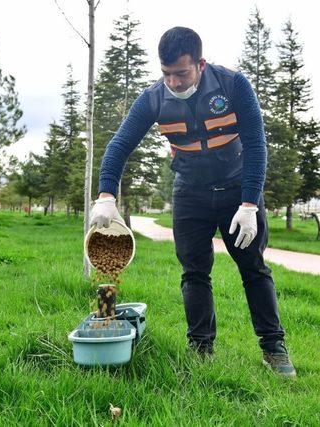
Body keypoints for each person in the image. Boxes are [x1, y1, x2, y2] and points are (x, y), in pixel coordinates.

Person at [91, 27, 296, 377]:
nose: (173, 81)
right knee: (194, 273)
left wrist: (249, 205)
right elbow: (119, 145)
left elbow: (257, 145)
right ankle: (201, 348)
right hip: (190, 193)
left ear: (200, 64)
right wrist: (106, 196)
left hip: (237, 190)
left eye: (181, 73)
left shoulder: (233, 85)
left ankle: (273, 348)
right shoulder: (154, 97)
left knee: (254, 268)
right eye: (166, 73)